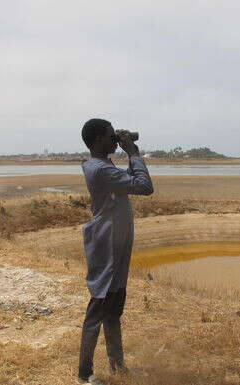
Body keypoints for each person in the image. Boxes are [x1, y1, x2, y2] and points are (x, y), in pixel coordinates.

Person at [78, 118, 153, 384]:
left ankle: (117, 367)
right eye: (111, 136)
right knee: (98, 309)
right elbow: (144, 186)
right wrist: (132, 152)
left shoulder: (103, 165)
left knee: (113, 310)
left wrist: (124, 148)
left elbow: (128, 181)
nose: (115, 140)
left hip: (116, 245)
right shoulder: (100, 170)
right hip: (106, 246)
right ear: (98, 139)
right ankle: (84, 374)